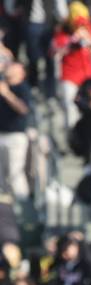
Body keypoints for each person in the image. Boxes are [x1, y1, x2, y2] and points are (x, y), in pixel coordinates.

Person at [0, 61, 31, 198]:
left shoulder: (22, 88)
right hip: (1, 134)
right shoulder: (2, 85)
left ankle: (23, 209)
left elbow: (23, 109)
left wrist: (6, 94)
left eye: (13, 67)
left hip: (16, 136)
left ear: (21, 73)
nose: (9, 68)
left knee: (15, 174)